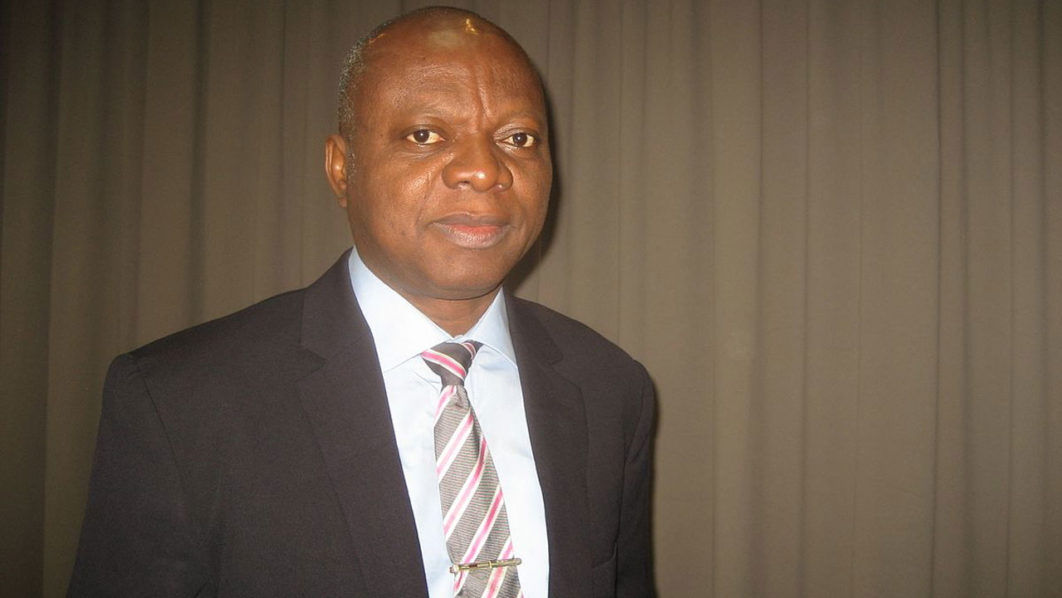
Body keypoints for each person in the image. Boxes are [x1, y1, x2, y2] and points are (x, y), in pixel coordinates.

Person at [68, 7, 655, 597]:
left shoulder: (610, 388)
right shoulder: (180, 402)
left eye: (518, 138)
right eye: (425, 135)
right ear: (341, 168)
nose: (484, 170)